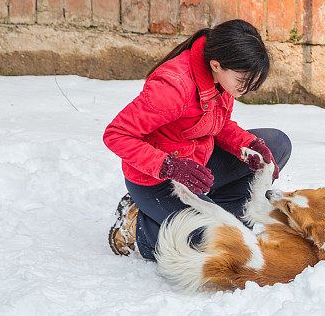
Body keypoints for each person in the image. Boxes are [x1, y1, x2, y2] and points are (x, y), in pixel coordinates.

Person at [103, 19, 291, 261]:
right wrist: (168, 166)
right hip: (158, 179)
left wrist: (247, 145)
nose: (248, 88)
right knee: (212, 244)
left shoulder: (220, 80)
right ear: (216, 64)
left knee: (277, 145)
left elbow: (216, 124)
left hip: (196, 166)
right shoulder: (173, 87)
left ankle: (219, 218)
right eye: (243, 81)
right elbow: (116, 134)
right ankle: (139, 228)